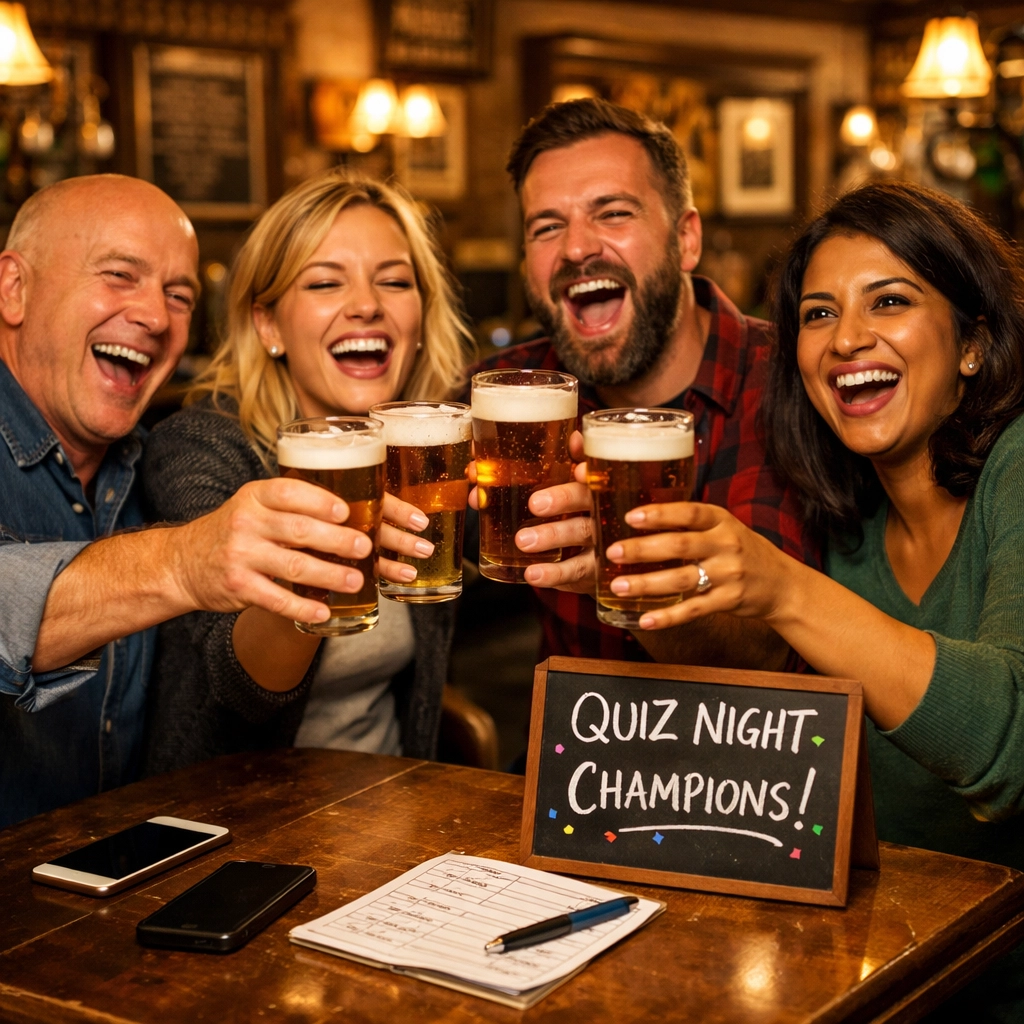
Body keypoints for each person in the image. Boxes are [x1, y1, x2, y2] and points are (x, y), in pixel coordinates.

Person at [600, 181, 1024, 1021]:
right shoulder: (847, 512)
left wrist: (782, 585)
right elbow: (772, 706)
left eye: (891, 301)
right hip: (868, 968)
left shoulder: (1017, 469)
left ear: (973, 343)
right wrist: (623, 574)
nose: (848, 340)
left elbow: (1008, 743)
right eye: (818, 314)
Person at [0, 175, 406, 828]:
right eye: (119, 275)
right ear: (13, 289)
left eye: (178, 294)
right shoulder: (198, 451)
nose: (156, 317)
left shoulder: (140, 465)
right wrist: (183, 562)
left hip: (115, 878)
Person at [141, 171, 472, 774]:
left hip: (396, 816)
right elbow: (234, 691)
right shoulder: (203, 448)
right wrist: (325, 559)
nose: (367, 305)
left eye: (395, 282)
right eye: (324, 282)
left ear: (421, 318)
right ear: (268, 326)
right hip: (240, 827)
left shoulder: (427, 449)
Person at [469, 98, 816, 669]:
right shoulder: (508, 394)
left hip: (757, 750)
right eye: (548, 226)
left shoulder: (791, 377)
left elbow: (774, 650)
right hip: (576, 751)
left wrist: (614, 566)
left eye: (613, 213)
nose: (576, 248)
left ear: (686, 239)